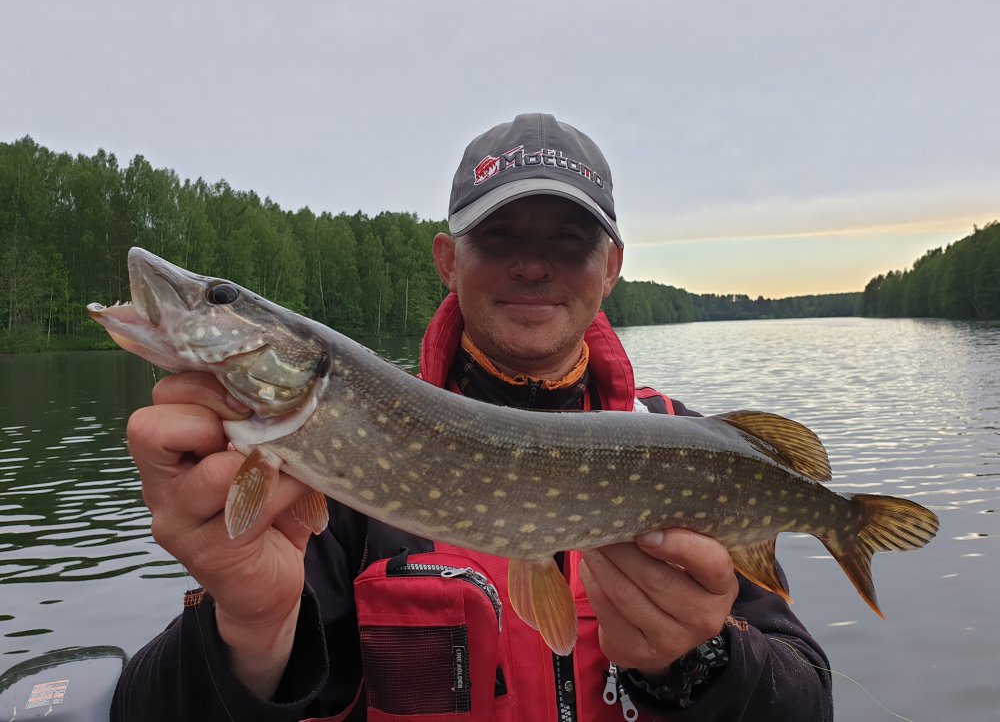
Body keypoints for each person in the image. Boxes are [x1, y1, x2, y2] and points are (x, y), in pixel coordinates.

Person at [112, 113, 834, 721]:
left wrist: (700, 660)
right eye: (499, 238)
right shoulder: (325, 484)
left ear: (610, 266)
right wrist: (244, 628)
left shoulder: (687, 447)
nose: (531, 266)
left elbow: (809, 699)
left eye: (567, 241)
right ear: (448, 261)